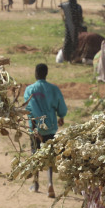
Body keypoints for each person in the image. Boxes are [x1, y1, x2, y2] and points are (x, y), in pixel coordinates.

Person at [23, 64, 68, 197]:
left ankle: (36, 183)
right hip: (50, 126)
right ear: (46, 74)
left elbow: (28, 109)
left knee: (35, 154)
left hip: (35, 127)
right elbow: (61, 107)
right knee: (49, 155)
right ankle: (50, 183)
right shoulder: (53, 89)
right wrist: (61, 116)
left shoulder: (29, 90)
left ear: (36, 73)